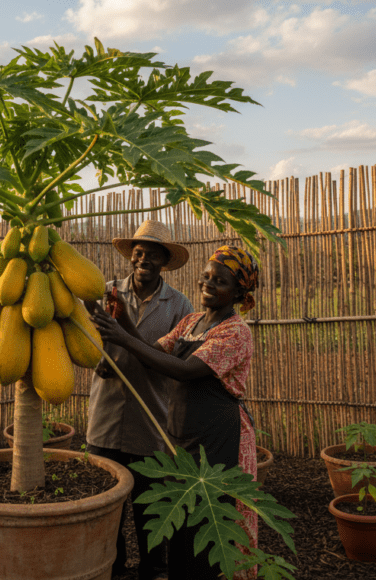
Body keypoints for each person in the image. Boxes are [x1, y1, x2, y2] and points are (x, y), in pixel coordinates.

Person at [90, 244, 261, 580]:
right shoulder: (191, 321)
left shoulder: (235, 333)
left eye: (220, 282)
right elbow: (151, 351)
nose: (208, 284)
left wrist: (122, 339)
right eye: (207, 276)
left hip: (219, 442)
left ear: (238, 292)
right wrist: (123, 318)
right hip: (184, 440)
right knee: (183, 530)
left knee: (212, 529)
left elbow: (182, 370)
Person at [84, 219, 194, 580]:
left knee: (151, 511)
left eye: (152, 255)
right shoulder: (107, 292)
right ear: (131, 256)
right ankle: (113, 570)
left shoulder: (179, 305)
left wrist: (126, 334)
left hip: (152, 421)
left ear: (164, 261)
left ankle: (153, 571)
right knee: (108, 508)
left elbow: (174, 363)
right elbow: (86, 334)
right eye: (139, 253)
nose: (143, 259)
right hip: (105, 415)